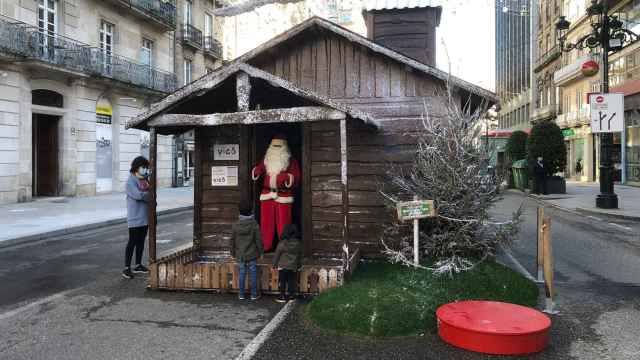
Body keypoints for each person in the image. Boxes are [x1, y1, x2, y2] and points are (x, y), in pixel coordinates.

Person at [252, 135, 301, 252]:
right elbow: (259, 170)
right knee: (266, 223)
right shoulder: (266, 159)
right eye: (274, 146)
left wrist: (285, 178)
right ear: (270, 147)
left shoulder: (291, 161)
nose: (276, 149)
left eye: (279, 146)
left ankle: (284, 248)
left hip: (283, 196)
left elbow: (296, 177)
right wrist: (257, 171)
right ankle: (266, 245)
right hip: (267, 194)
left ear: (284, 147)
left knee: (284, 224)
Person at [123, 156, 151, 279]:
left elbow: (148, 193)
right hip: (134, 217)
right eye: (143, 167)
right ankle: (126, 268)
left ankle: (138, 264)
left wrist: (148, 193)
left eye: (146, 167)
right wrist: (149, 194)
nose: (145, 169)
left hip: (145, 217)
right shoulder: (130, 181)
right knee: (132, 242)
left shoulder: (145, 180)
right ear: (136, 167)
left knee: (141, 242)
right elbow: (138, 195)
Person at [231, 203, 263, 300]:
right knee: (253, 273)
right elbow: (258, 239)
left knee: (242, 273)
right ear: (251, 211)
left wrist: (232, 253)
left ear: (239, 212)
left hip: (240, 254)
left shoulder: (235, 225)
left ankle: (241, 294)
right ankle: (253, 295)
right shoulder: (254, 224)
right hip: (252, 253)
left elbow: (232, 240)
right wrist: (261, 252)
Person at [272, 224, 302, 303]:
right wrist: (299, 266)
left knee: (282, 281)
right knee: (292, 281)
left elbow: (277, 255)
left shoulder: (282, 243)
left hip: (283, 266)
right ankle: (292, 296)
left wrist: (274, 265)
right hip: (293, 266)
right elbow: (299, 256)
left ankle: (282, 296)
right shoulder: (298, 244)